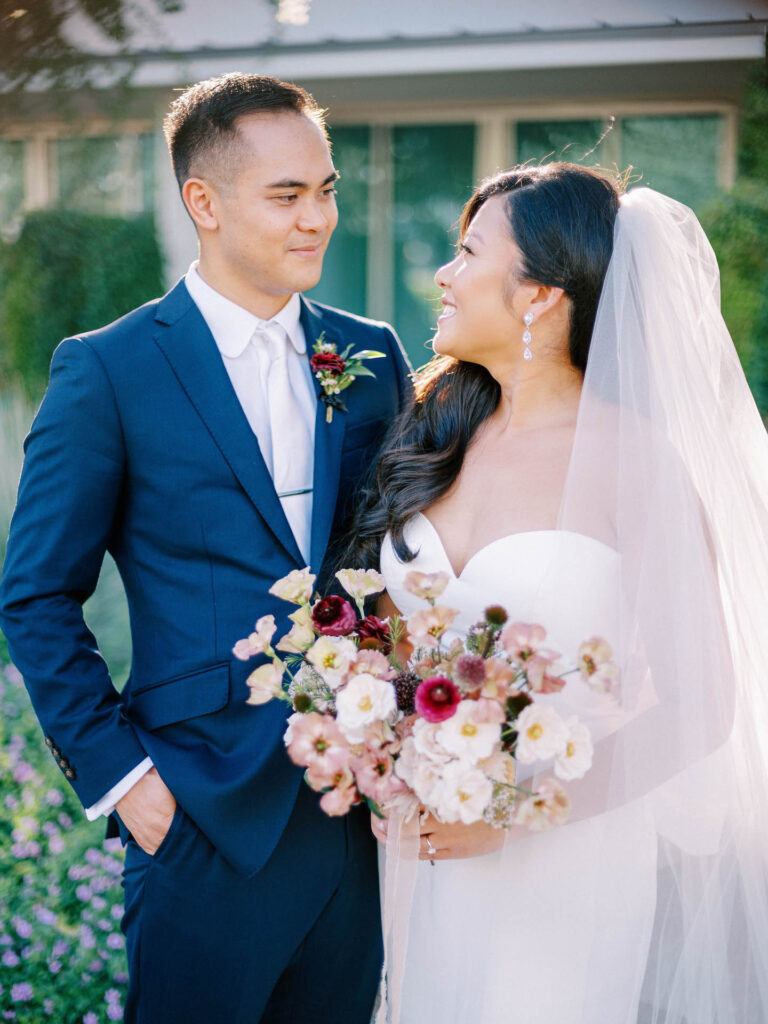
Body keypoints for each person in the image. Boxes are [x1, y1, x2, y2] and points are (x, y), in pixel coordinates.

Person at [0, 72, 410, 1023]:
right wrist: (127, 782)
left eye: (327, 190)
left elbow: (402, 563)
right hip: (197, 817)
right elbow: (35, 597)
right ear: (204, 202)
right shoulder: (107, 369)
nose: (318, 219)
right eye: (287, 195)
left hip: (354, 814)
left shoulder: (374, 355)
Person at [346, 163, 768, 1023]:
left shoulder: (635, 459)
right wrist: (367, 737)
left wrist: (512, 811)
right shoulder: (435, 434)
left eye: (468, 253)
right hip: (419, 859)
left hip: (566, 861)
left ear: (539, 294)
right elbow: (385, 643)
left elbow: (702, 701)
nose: (444, 274)